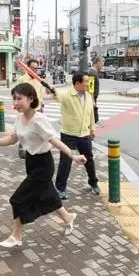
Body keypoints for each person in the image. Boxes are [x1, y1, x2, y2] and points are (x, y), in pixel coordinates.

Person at [0, 83, 83, 248]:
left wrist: (73, 155)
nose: (15, 102)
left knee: (17, 199)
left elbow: (54, 140)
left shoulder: (39, 120)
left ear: (31, 99)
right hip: (31, 162)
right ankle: (68, 217)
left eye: (19, 98)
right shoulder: (19, 118)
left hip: (43, 165)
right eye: (13, 98)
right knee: (49, 195)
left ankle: (16, 236)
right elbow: (14, 138)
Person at [51, 72, 99, 200]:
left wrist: (92, 128)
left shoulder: (88, 96)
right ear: (77, 83)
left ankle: (93, 183)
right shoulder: (67, 94)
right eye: (86, 82)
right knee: (65, 162)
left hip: (84, 134)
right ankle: (60, 188)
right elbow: (58, 96)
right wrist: (53, 91)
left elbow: (91, 114)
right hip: (68, 134)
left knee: (89, 160)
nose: (88, 84)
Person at [16, 59, 45, 159]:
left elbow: (41, 94)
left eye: (37, 68)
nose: (35, 70)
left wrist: (41, 105)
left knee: (37, 131)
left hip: (37, 109)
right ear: (27, 68)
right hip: (26, 111)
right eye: (33, 68)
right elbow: (17, 95)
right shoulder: (22, 80)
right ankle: (22, 151)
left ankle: (35, 150)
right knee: (24, 131)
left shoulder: (38, 80)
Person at [88, 57, 104, 124]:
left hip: (93, 98)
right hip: (91, 98)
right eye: (102, 63)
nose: (103, 65)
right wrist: (92, 100)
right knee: (93, 119)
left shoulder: (94, 72)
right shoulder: (92, 73)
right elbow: (90, 87)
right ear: (98, 63)